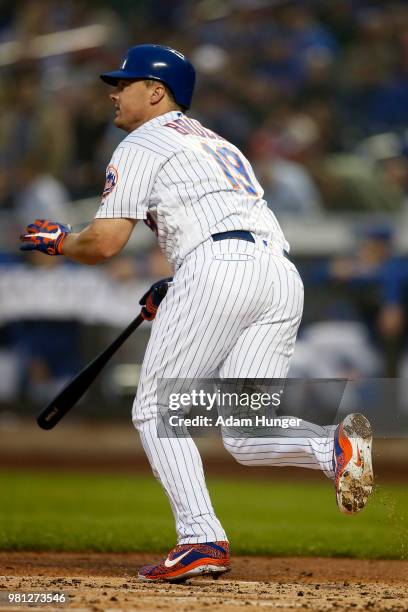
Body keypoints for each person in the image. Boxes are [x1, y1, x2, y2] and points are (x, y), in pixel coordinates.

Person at [19, 44, 373, 583]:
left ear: (156, 92)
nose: (114, 93)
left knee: (154, 409)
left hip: (219, 266)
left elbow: (105, 244)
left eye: (125, 83)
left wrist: (60, 241)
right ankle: (334, 447)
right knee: (246, 434)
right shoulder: (215, 140)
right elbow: (221, 223)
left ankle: (200, 538)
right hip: (277, 273)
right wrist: (184, 278)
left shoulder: (143, 141)